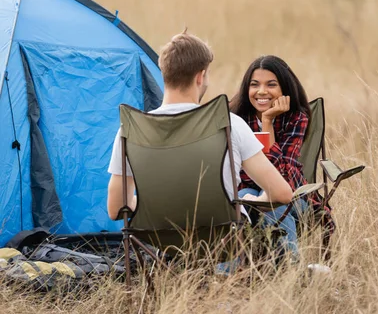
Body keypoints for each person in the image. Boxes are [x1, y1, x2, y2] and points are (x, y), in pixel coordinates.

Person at [107, 33, 292, 224]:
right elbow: (282, 194)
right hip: (222, 240)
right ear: (200, 76)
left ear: (164, 73)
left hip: (157, 241)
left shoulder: (130, 130)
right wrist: (254, 199)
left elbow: (115, 209)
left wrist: (149, 205)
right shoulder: (230, 124)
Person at [230, 55, 334, 260]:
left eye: (271, 85)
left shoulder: (297, 117)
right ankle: (288, 269)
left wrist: (268, 120)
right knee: (250, 199)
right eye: (254, 85)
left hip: (294, 197)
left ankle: (288, 266)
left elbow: (279, 175)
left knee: (273, 203)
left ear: (284, 89)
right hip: (248, 193)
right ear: (246, 89)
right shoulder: (237, 118)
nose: (261, 91)